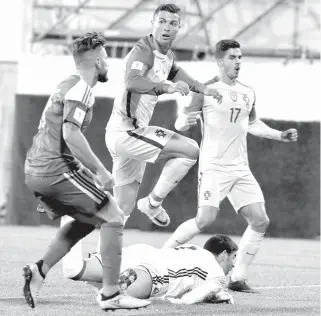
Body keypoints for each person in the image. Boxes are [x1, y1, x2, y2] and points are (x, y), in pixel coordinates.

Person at [22, 32, 150, 311]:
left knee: (89, 219)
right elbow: (70, 133)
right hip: (53, 170)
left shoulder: (66, 83)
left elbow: (56, 134)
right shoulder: (81, 88)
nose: (108, 63)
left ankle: (39, 270)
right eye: (105, 57)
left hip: (39, 169)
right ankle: (111, 294)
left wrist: (83, 173)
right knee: (114, 215)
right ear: (95, 60)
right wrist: (101, 171)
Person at [163, 39, 298, 292]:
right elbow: (181, 123)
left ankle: (237, 277)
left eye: (240, 57)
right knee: (204, 220)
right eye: (233, 57)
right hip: (213, 167)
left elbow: (253, 124)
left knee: (260, 220)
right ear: (219, 61)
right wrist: (185, 122)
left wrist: (280, 135)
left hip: (240, 168)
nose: (238, 61)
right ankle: (162, 257)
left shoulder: (248, 91)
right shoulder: (204, 89)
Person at [105, 3, 222, 228]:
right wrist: (168, 88)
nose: (166, 27)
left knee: (121, 210)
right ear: (152, 23)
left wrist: (203, 88)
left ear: (179, 27)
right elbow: (132, 81)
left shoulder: (165, 55)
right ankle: (152, 203)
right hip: (128, 132)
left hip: (124, 135)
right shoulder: (144, 50)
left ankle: (101, 256)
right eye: (162, 21)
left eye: (173, 23)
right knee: (191, 150)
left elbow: (176, 72)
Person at [62, 233, 238, 305]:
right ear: (223, 255)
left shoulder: (195, 252)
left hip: (142, 252)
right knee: (112, 298)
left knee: (74, 269)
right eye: (233, 257)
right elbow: (189, 299)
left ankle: (71, 217)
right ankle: (117, 284)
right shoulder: (217, 274)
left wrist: (214, 295)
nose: (234, 265)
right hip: (155, 273)